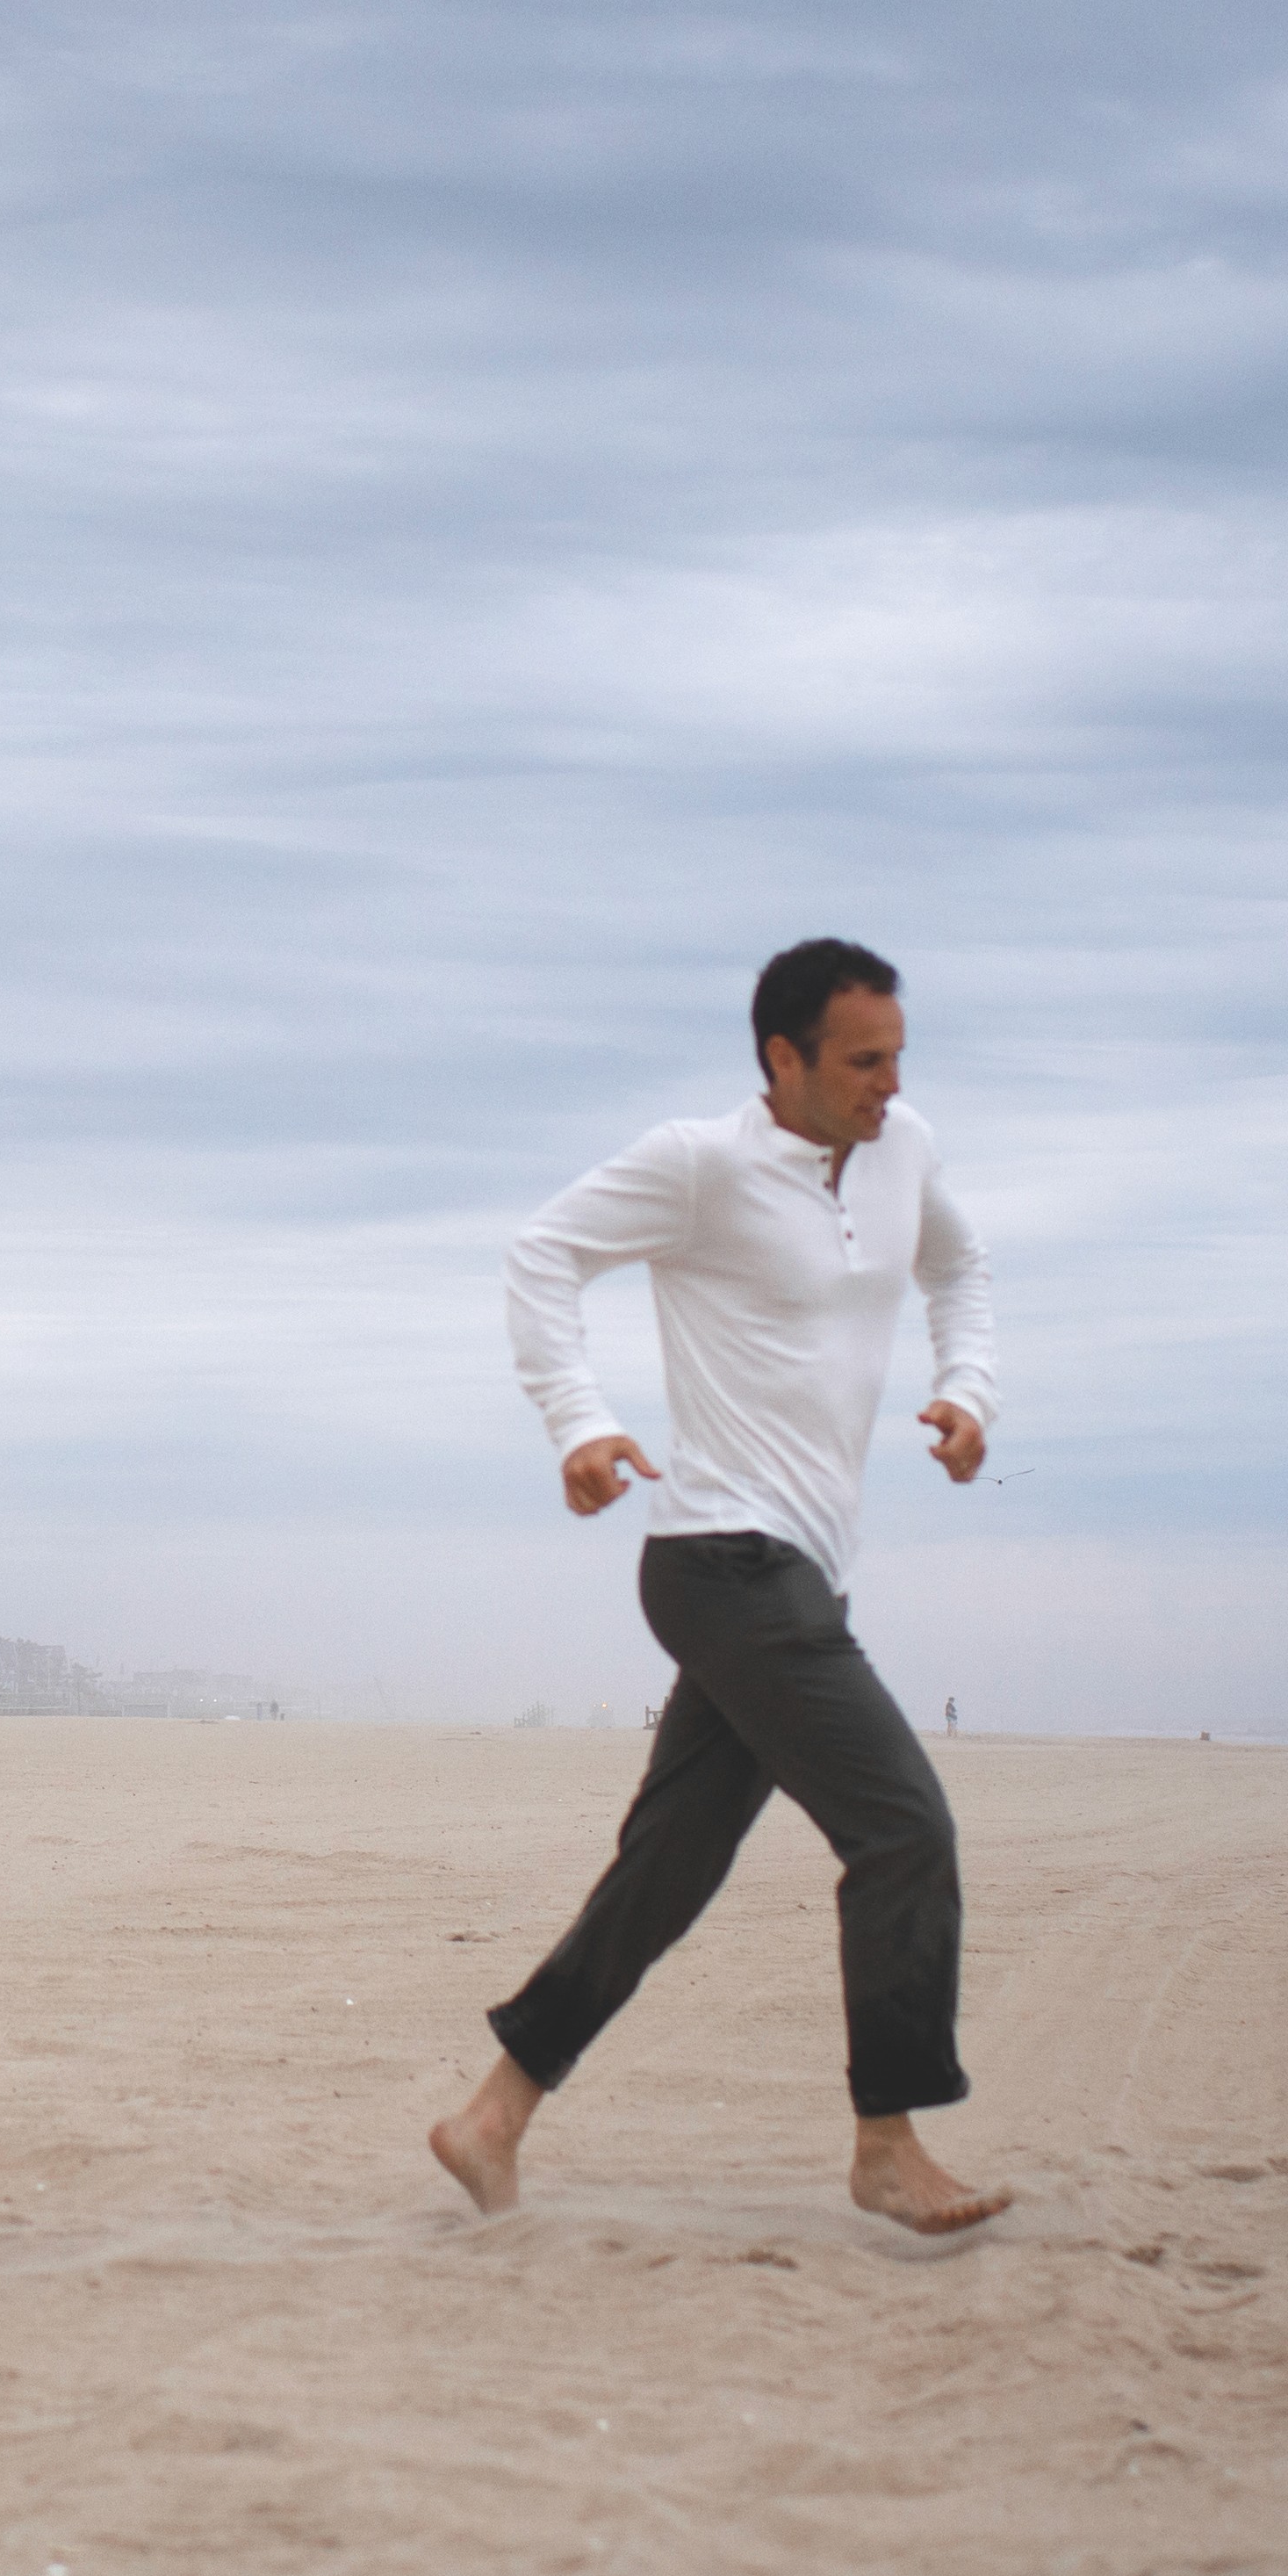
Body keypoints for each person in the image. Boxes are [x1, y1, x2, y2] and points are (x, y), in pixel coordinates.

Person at [434, 938, 1012, 2237]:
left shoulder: (906, 1148)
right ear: (783, 1058)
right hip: (721, 1562)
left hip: (799, 1571)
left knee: (668, 1870)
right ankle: (887, 2143)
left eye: (897, 1056)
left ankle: (491, 2119)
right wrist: (578, 1422)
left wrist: (969, 1392)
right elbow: (543, 1252)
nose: (887, 1082)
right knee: (905, 1829)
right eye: (862, 1061)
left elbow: (962, 1270)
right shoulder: (700, 1166)